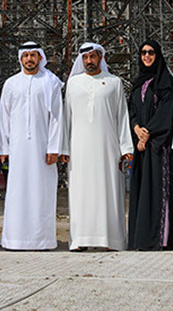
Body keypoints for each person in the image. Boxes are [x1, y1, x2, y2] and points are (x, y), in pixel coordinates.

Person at [62, 42, 133, 251]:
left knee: (108, 191)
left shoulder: (114, 82)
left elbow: (122, 116)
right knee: (80, 192)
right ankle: (80, 240)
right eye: (85, 58)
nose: (89, 61)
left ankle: (111, 240)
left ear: (101, 58)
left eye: (93, 57)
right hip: (79, 149)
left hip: (108, 149)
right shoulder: (73, 83)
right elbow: (67, 117)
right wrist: (64, 149)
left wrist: (126, 148)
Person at [0, 41, 64, 250]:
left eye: (33, 55)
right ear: (20, 58)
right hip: (17, 148)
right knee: (17, 192)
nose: (29, 59)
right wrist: (3, 149)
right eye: (26, 55)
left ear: (40, 58)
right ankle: (14, 239)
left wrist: (54, 147)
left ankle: (42, 240)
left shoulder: (50, 82)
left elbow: (57, 117)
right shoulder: (11, 83)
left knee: (41, 192)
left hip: (42, 148)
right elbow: (3, 118)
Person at [127, 38, 173, 250]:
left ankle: (160, 239)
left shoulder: (165, 84)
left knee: (158, 190)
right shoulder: (138, 83)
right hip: (141, 146)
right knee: (141, 190)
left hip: (158, 146)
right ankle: (141, 238)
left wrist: (148, 134)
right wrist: (137, 128)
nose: (147, 56)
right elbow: (132, 111)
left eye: (151, 53)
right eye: (143, 53)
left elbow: (166, 113)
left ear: (158, 56)